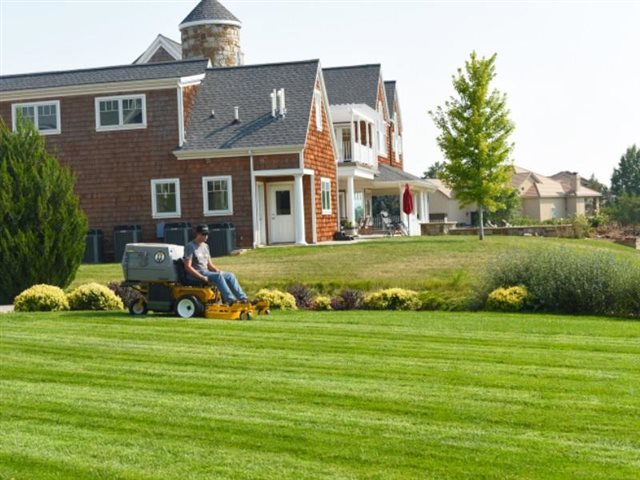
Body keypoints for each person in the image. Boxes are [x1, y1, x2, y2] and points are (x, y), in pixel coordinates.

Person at [183, 224, 249, 305]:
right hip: (196, 274)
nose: (206, 236)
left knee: (230, 275)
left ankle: (243, 299)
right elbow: (188, 267)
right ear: (198, 234)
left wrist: (218, 271)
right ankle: (230, 300)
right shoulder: (190, 246)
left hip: (206, 272)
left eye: (207, 234)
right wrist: (202, 277)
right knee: (218, 276)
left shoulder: (206, 246)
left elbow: (210, 265)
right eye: (204, 234)